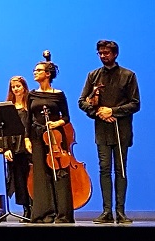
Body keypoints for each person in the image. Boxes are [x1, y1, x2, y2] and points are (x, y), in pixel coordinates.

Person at [78, 40, 140, 224]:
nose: (103, 56)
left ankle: (120, 212)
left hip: (121, 130)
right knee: (104, 170)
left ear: (115, 54)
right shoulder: (93, 76)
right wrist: (98, 112)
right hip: (102, 130)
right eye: (100, 53)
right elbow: (82, 101)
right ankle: (106, 212)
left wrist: (112, 111)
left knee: (121, 170)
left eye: (106, 52)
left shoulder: (128, 75)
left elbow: (135, 103)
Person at [26, 59, 74, 223]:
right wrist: (27, 138)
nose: (35, 72)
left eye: (38, 70)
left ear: (48, 74)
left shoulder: (59, 94)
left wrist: (57, 123)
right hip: (38, 136)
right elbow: (28, 118)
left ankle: (63, 214)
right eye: (34, 70)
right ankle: (44, 214)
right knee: (41, 175)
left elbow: (66, 117)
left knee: (60, 173)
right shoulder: (32, 94)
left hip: (55, 136)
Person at [2, 76, 32, 221]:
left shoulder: (30, 105)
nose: (16, 89)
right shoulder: (8, 107)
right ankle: (26, 210)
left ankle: (36, 208)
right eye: (13, 87)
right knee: (19, 180)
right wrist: (6, 149)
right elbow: (5, 131)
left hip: (29, 147)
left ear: (24, 87)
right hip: (15, 148)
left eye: (18, 86)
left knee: (31, 179)